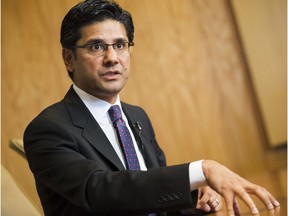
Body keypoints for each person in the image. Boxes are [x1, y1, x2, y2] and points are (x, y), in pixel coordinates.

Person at [24, 0, 280, 216]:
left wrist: (194, 196)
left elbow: (149, 194)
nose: (112, 57)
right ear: (69, 58)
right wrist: (199, 170)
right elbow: (100, 191)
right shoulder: (48, 129)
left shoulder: (136, 116)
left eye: (120, 45)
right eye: (97, 46)